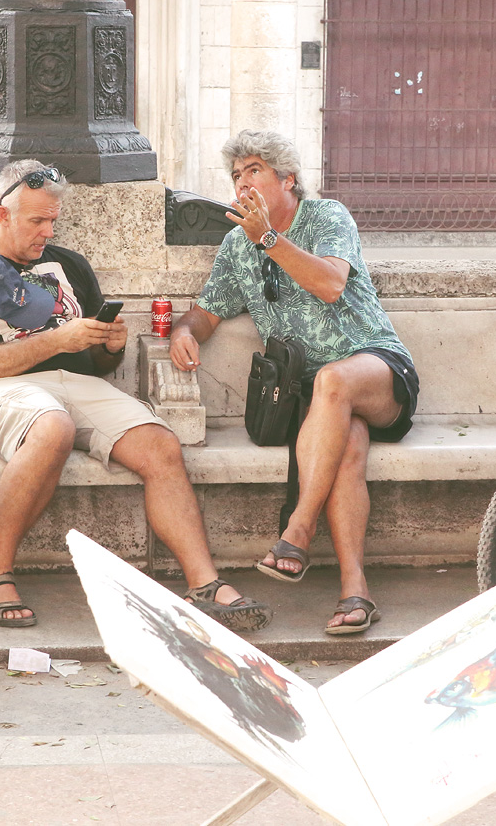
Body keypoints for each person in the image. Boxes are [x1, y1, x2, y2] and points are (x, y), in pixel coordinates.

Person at [0, 159, 271, 632]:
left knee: (160, 443)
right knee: (54, 428)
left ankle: (205, 586)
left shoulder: (70, 264)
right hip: (7, 388)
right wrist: (55, 340)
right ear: (2, 215)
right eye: (37, 221)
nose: (47, 231)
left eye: (53, 220)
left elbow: (97, 360)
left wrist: (110, 347)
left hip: (80, 385)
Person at [169, 130, 419, 636]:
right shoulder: (238, 246)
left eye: (254, 170)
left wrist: (269, 238)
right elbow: (206, 312)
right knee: (346, 442)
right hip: (317, 403)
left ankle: (297, 530)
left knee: (332, 382)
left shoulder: (327, 217)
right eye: (236, 175)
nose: (243, 183)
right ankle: (356, 592)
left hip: (377, 370)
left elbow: (329, 283)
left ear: (288, 179)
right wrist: (183, 332)